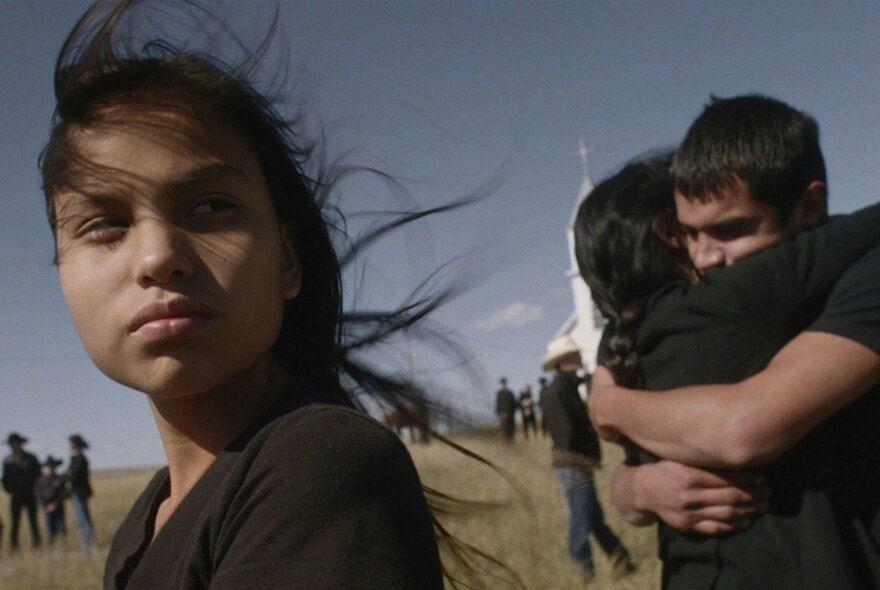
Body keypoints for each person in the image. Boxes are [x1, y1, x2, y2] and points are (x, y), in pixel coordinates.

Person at [39, 1, 479, 587]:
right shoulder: (148, 518)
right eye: (104, 224)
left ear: (287, 260)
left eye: (210, 207)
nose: (157, 258)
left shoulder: (320, 463)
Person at [575, 99, 880, 588]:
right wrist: (636, 488)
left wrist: (609, 406)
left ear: (809, 206)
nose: (706, 257)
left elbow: (743, 428)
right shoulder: (693, 310)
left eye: (731, 230)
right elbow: (640, 478)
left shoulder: (861, 273)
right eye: (688, 234)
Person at [540, 339, 634, 582]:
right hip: (573, 463)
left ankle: (621, 560)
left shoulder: (566, 388)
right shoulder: (557, 392)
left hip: (577, 462)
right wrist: (591, 430)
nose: (580, 358)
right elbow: (566, 433)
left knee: (593, 519)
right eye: (574, 355)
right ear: (565, 362)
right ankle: (584, 573)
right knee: (583, 520)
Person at [2, 432, 42, 550]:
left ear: (20, 444)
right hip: (16, 495)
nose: (13, 446)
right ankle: (14, 548)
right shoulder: (7, 461)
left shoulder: (31, 458)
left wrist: (36, 489)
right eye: (11, 444)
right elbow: (4, 479)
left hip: (30, 494)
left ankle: (37, 546)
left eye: (14, 443)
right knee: (15, 523)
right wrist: (10, 491)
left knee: (33, 522)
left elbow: (38, 475)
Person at [67, 434, 94, 551]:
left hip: (79, 491)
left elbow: (73, 475)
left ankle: (88, 544)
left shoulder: (80, 459)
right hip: (78, 491)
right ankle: (87, 543)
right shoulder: (77, 458)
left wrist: (64, 478)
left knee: (83, 518)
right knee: (82, 517)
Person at [36, 455, 68, 547]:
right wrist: (46, 505)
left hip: (58, 506)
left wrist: (55, 503)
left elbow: (64, 493)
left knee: (61, 527)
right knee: (50, 528)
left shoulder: (60, 479)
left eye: (52, 467)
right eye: (48, 467)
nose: (50, 469)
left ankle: (63, 545)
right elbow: (39, 495)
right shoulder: (40, 481)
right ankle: (52, 546)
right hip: (47, 507)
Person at [495, 377, 517, 441]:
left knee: (511, 428)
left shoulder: (510, 393)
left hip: (510, 414)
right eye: (503, 383)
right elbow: (498, 403)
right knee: (503, 429)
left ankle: (511, 440)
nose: (504, 384)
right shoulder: (499, 393)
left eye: (504, 383)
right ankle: (504, 441)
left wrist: (512, 413)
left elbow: (513, 403)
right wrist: (499, 413)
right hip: (502, 414)